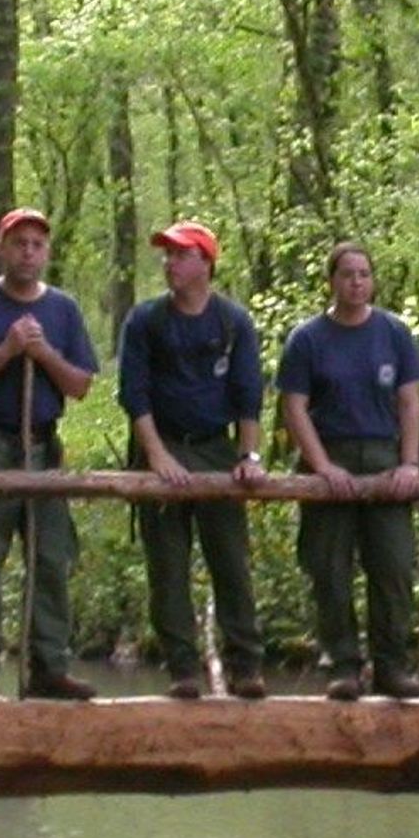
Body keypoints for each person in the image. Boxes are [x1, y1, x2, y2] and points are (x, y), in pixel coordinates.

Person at [0, 206, 101, 701]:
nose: (28, 252)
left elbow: (80, 385)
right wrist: (6, 352)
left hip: (42, 445)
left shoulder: (64, 310)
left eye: (36, 244)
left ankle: (49, 666)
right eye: (19, 243)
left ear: (46, 252)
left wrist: (43, 353)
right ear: (1, 248)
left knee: (51, 556)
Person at [118, 220, 272, 699]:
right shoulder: (145, 321)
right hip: (161, 441)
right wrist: (157, 455)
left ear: (205, 262)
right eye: (167, 255)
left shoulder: (232, 322)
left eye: (181, 255)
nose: (170, 264)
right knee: (167, 565)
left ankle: (246, 665)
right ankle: (183, 668)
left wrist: (248, 455)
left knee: (230, 560)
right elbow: (134, 393)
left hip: (214, 446)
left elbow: (249, 394)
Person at [276, 239, 419, 699]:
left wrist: (410, 463)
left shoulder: (394, 334)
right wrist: (322, 466)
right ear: (332, 281)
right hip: (330, 455)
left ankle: (392, 665)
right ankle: (343, 664)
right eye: (348, 275)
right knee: (329, 569)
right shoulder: (307, 339)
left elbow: (409, 401)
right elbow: (294, 407)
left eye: (364, 274)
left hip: (384, 458)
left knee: (394, 567)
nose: (357, 283)